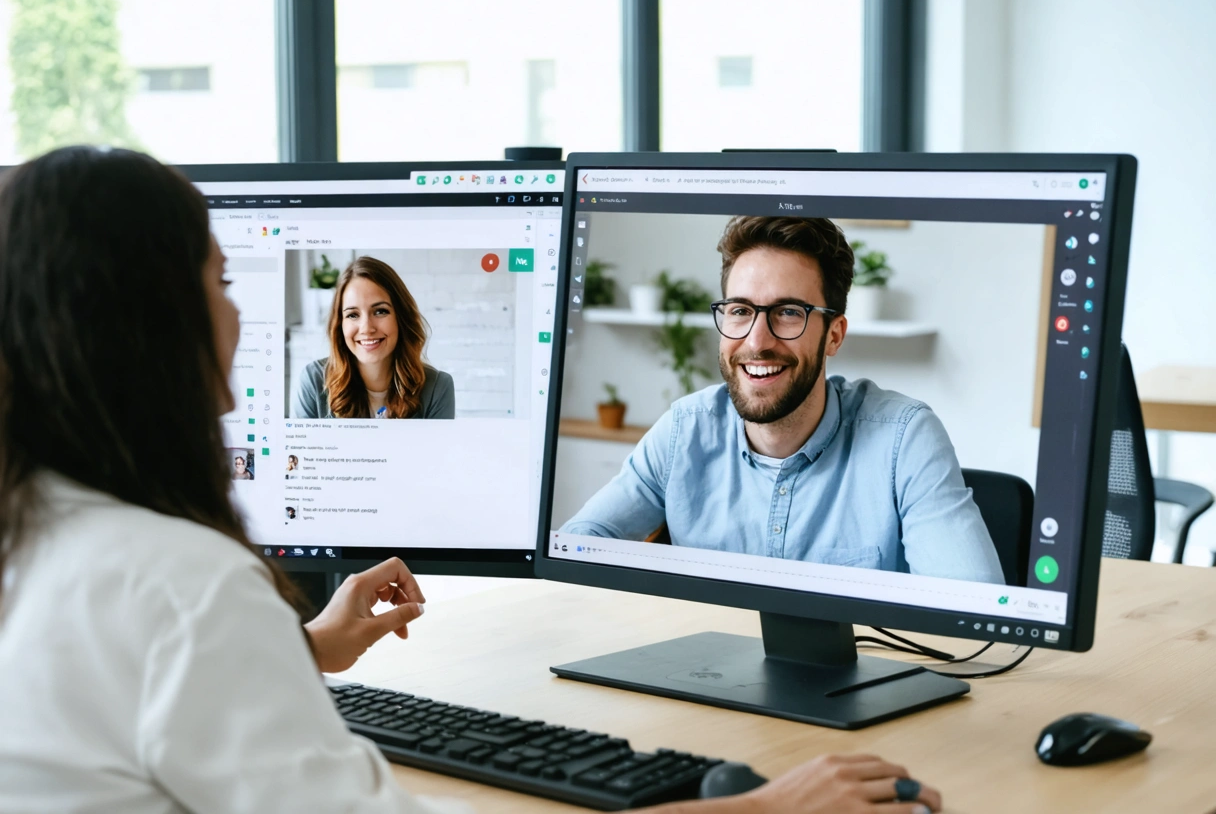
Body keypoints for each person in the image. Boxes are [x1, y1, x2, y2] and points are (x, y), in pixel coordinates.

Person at [0, 148, 940, 814]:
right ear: (152, 326)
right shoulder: (186, 586)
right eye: (222, 280)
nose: (236, 314)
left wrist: (298, 649)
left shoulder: (33, 528)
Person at [564, 216, 1003, 584]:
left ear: (834, 335)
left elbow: (973, 611)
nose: (757, 341)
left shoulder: (903, 439)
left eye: (789, 312)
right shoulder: (686, 429)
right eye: (740, 310)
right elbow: (578, 544)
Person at [292, 256, 455, 420]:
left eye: (380, 311)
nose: (367, 328)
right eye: (353, 315)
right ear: (340, 324)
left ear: (401, 317)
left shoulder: (438, 388)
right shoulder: (314, 380)